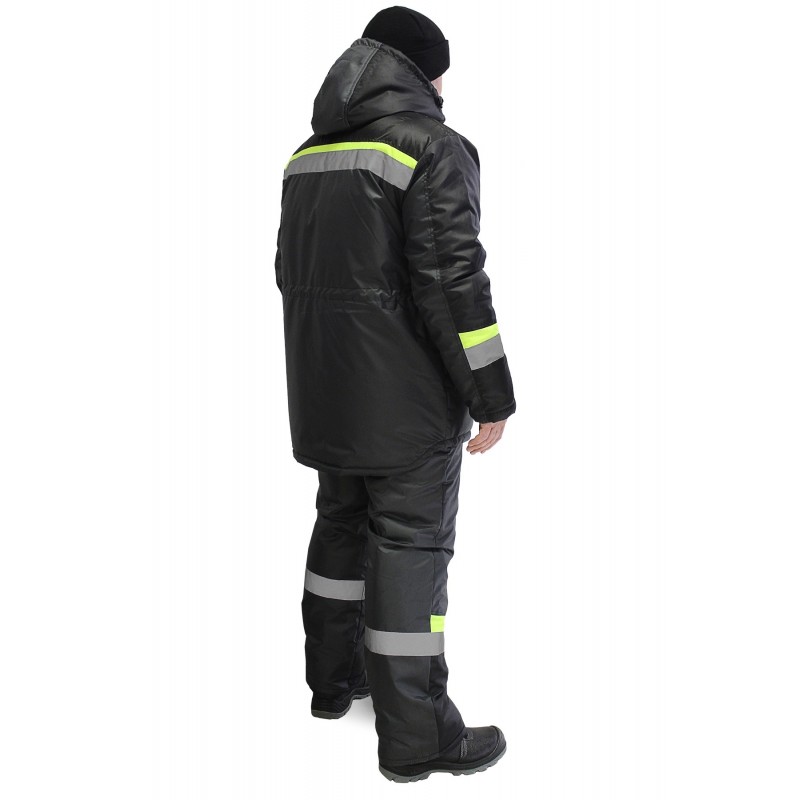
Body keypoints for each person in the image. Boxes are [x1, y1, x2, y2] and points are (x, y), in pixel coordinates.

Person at [274, 5, 516, 782]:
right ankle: (417, 736)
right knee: (410, 549)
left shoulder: (309, 157)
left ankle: (334, 681)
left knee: (341, 529)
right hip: (407, 406)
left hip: (327, 395)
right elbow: (453, 285)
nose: (445, 87)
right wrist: (491, 393)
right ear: (422, 72)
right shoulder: (432, 147)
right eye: (440, 72)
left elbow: (290, 277)